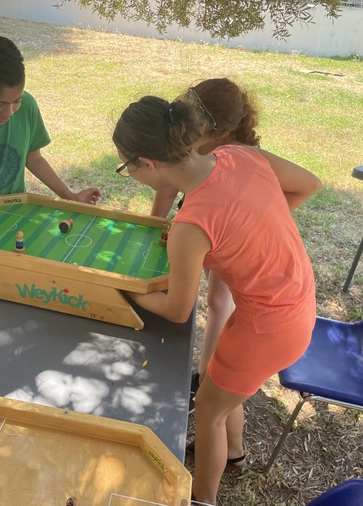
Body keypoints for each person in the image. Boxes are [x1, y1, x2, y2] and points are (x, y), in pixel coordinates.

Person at [112, 94, 317, 504]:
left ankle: (203, 498)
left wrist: (123, 287)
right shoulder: (239, 155)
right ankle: (234, 452)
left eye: (125, 167)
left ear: (146, 164)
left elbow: (177, 310)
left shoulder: (190, 225)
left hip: (268, 327)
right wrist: (245, 236)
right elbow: (305, 185)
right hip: (295, 303)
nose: (130, 174)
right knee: (221, 386)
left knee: (208, 411)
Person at [150, 78, 322, 413]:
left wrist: (245, 231)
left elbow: (309, 184)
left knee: (218, 301)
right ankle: (213, 382)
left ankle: (208, 381)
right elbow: (168, 179)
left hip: (222, 227)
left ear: (221, 134)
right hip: (205, 219)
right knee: (214, 301)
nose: (188, 137)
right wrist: (153, 226)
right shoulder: (185, 130)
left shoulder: (241, 154)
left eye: (196, 132)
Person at [0, 35, 101, 289]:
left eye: (16, 101)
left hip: (15, 230)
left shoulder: (27, 106)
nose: (8, 112)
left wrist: (69, 196)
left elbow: (33, 157)